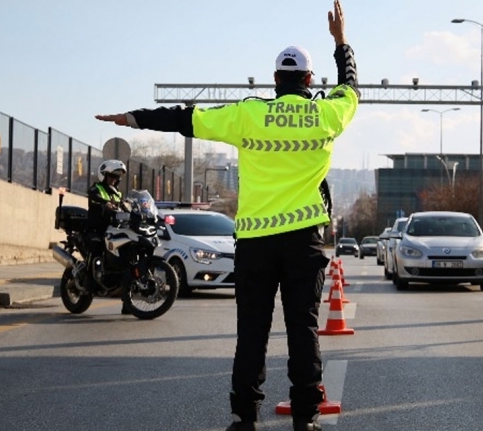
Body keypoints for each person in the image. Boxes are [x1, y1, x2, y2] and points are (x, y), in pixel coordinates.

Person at [95, 1, 357, 429]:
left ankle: (243, 417)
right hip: (304, 242)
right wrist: (341, 42)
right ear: (310, 81)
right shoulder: (327, 113)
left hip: (254, 244)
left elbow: (185, 119)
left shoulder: (248, 114)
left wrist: (133, 118)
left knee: (251, 334)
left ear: (275, 80)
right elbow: (351, 86)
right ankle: (306, 417)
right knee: (302, 331)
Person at [86, 159, 129, 313]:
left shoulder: (118, 193)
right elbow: (94, 196)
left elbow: (124, 206)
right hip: (97, 229)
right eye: (111, 176)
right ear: (103, 175)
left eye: (116, 177)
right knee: (97, 248)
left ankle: (128, 303)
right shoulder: (96, 188)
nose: (114, 180)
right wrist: (105, 203)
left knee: (126, 260)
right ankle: (90, 282)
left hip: (114, 231)